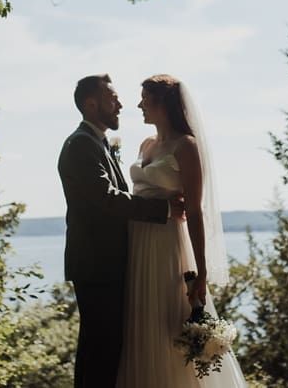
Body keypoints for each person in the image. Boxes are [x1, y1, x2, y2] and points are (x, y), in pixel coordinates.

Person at [117, 74, 247, 388]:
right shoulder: (146, 144)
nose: (139, 105)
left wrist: (201, 273)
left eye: (145, 99)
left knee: (167, 325)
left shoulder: (186, 146)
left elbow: (195, 212)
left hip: (166, 245)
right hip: (137, 243)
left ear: (163, 104)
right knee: (141, 324)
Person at [58, 74, 183, 388]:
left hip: (107, 263)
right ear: (91, 103)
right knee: (100, 352)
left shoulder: (95, 142)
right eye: (112, 98)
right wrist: (165, 209)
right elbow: (106, 198)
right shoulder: (80, 146)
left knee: (103, 350)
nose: (121, 104)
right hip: (97, 265)